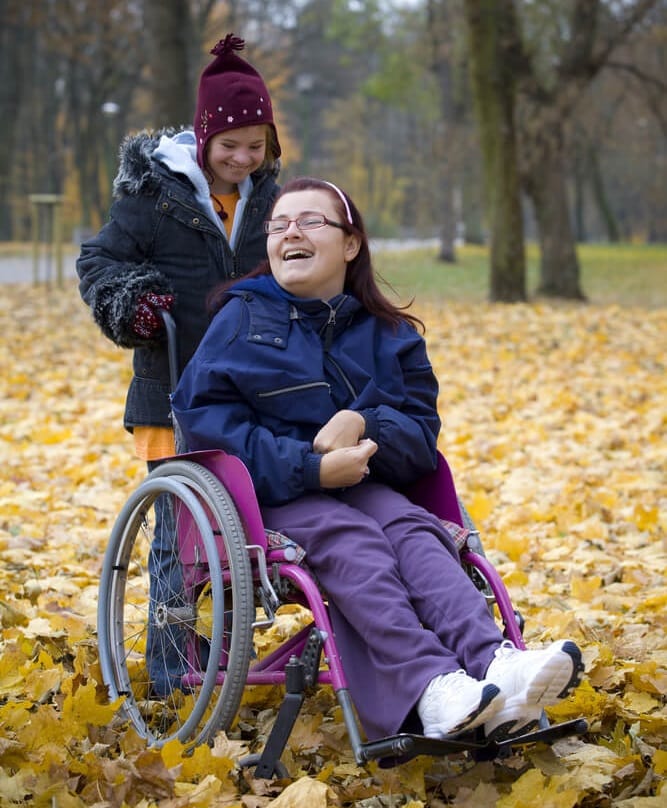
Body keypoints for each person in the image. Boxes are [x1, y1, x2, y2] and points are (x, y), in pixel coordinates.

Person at [170, 176, 584, 742]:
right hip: (264, 497)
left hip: (364, 486)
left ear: (350, 244)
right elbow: (208, 426)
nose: (290, 231)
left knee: (416, 531)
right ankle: (430, 686)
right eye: (278, 224)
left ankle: (494, 662)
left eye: (310, 220)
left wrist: (367, 424)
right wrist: (309, 466)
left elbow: (420, 436)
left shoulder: (390, 336)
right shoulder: (239, 320)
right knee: (353, 539)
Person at [76, 33, 281, 693]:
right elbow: (99, 261)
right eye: (229, 147)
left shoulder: (271, 202)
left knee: (246, 534)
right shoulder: (154, 197)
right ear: (201, 139)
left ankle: (226, 646)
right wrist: (132, 303)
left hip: (252, 394)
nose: (242, 160)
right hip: (172, 390)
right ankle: (169, 672)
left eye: (256, 147)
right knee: (178, 538)